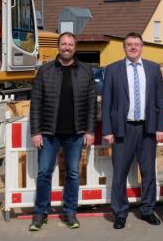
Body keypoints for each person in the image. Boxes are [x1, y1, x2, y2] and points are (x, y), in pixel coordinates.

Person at [28, 32, 96, 231]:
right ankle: (40, 213)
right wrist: (36, 132)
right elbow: (36, 103)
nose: (67, 47)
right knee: (44, 173)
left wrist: (90, 130)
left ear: (75, 47)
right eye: (64, 44)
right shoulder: (45, 70)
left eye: (70, 44)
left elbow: (92, 104)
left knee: (73, 174)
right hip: (49, 133)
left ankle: (70, 212)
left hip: (75, 133)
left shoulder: (85, 70)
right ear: (58, 46)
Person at [102, 32, 163, 229]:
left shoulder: (153, 68)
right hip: (123, 128)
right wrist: (107, 130)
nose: (133, 47)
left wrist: (160, 127)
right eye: (129, 44)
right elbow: (106, 103)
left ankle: (147, 209)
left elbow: (160, 101)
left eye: (136, 44)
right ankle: (120, 213)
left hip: (147, 128)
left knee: (148, 172)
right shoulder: (113, 70)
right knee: (120, 172)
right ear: (124, 47)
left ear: (142, 46)